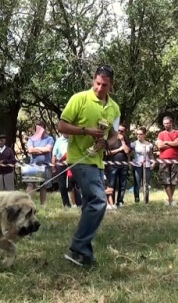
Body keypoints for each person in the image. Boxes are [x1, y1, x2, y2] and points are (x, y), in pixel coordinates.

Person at [58, 65, 121, 267]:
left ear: (111, 85)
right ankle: (78, 247)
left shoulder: (114, 108)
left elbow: (115, 138)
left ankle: (85, 255)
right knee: (99, 200)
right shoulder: (79, 99)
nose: (100, 88)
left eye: (105, 85)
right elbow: (62, 126)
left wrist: (106, 144)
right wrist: (85, 131)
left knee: (89, 206)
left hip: (98, 161)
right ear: (93, 80)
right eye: (97, 83)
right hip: (79, 159)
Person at [26, 120, 54, 206]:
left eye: (40, 127)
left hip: (45, 166)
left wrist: (36, 149)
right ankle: (26, 204)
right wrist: (42, 149)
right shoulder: (32, 139)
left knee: (43, 186)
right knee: (30, 185)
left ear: (44, 128)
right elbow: (30, 150)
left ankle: (42, 205)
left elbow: (48, 149)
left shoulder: (49, 139)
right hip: (33, 165)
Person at [156, 116, 178, 206]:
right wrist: (172, 144)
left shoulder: (177, 132)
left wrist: (166, 142)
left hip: (175, 159)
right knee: (165, 180)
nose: (166, 125)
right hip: (164, 159)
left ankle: (170, 199)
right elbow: (159, 146)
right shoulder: (161, 134)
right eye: (164, 124)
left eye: (167, 123)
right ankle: (171, 200)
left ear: (171, 123)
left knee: (174, 180)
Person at [105, 123, 131, 208]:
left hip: (123, 165)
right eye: (118, 130)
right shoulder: (112, 139)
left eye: (122, 131)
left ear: (125, 132)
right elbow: (107, 153)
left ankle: (120, 201)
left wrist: (123, 141)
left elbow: (127, 151)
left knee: (122, 184)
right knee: (111, 184)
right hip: (112, 164)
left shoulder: (126, 140)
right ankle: (110, 203)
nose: (119, 132)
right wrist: (119, 149)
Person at [131, 127, 156, 204]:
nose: (139, 136)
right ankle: (137, 199)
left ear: (144, 135)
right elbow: (129, 155)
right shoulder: (134, 144)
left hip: (147, 165)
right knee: (137, 183)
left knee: (146, 183)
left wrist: (154, 162)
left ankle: (146, 200)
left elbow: (151, 155)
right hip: (137, 165)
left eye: (141, 134)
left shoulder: (149, 145)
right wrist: (130, 162)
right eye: (137, 134)